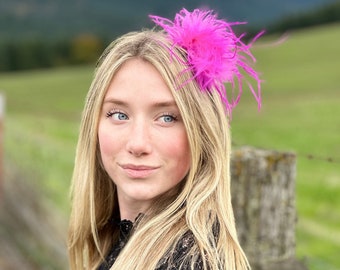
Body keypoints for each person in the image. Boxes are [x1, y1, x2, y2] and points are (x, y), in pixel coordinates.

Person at [68, 8, 262, 270]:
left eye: (167, 118)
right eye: (118, 114)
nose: (137, 144)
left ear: (201, 133)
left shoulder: (187, 263)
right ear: (94, 124)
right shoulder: (119, 242)